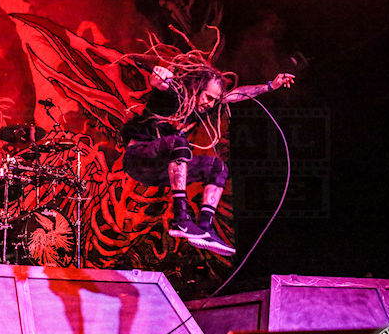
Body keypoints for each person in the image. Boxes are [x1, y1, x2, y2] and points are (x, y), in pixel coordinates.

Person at [121, 56, 294, 256]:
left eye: (214, 100)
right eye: (208, 97)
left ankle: (205, 228)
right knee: (179, 143)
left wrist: (270, 86)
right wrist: (160, 75)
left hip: (161, 170)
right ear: (196, 88)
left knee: (217, 168)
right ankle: (181, 219)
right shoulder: (174, 94)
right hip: (139, 158)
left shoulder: (205, 105)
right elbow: (158, 82)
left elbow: (236, 95)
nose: (210, 104)